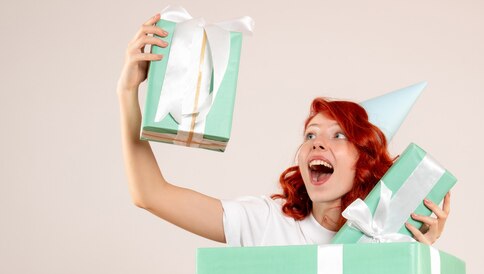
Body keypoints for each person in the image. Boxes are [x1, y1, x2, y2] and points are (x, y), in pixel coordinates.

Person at [117, 13, 451, 247]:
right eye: (311, 135)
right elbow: (150, 194)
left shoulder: (386, 240)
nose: (317, 144)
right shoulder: (266, 222)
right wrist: (127, 93)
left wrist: (415, 253)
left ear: (363, 161)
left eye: (338, 135)